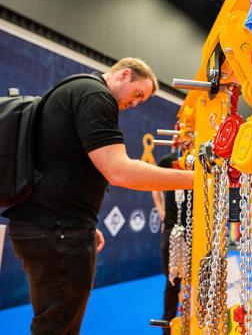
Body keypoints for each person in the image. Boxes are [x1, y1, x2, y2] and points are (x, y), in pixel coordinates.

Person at [2, 58, 194, 335]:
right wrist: (197, 180)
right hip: (57, 231)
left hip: (55, 227)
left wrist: (85, 224)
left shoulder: (77, 91)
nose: (136, 103)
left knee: (55, 322)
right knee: (57, 328)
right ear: (124, 74)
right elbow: (120, 171)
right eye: (138, 94)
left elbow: (65, 169)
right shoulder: (95, 95)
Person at [152, 151, 188, 332]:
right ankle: (168, 325)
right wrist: (161, 212)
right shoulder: (168, 160)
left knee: (198, 280)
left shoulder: (201, 159)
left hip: (194, 229)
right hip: (172, 228)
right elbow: (154, 186)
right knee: (172, 280)